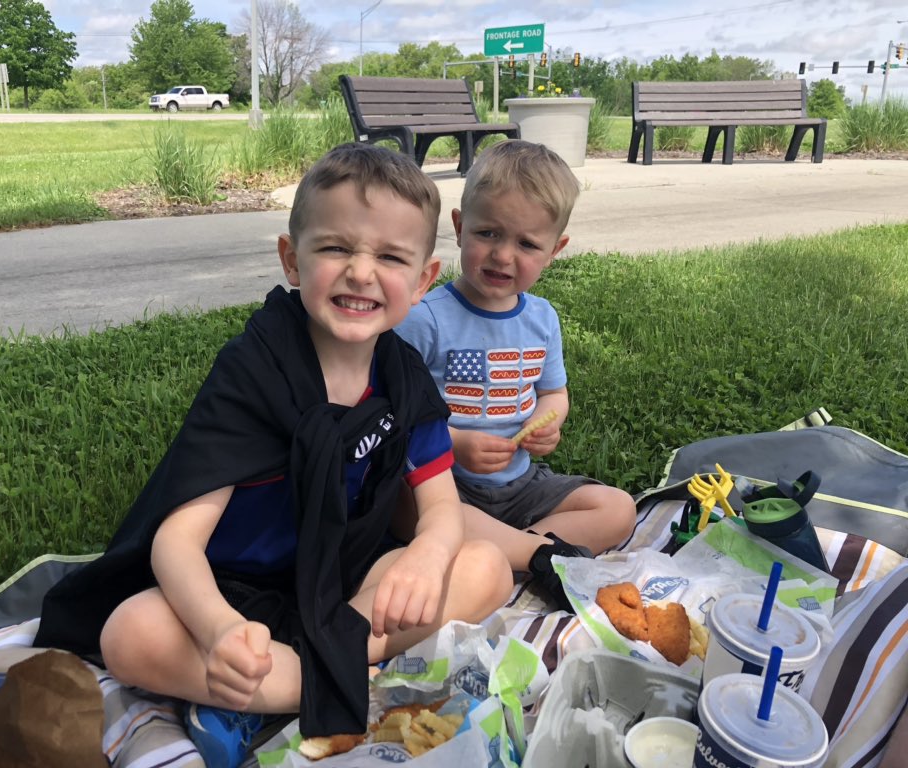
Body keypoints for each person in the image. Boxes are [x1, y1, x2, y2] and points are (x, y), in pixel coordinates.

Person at [32, 143, 513, 766]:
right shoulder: (254, 371)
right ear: (292, 258)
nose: (362, 273)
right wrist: (218, 632)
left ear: (423, 279)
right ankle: (331, 682)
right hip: (235, 592)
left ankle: (274, 688)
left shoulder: (402, 375)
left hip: (344, 591)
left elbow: (441, 505)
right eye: (336, 248)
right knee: (129, 634)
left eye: (391, 257)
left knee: (487, 568)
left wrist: (425, 554)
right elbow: (176, 542)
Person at [395, 139, 636, 611]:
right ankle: (532, 556)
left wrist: (548, 423)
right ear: (460, 228)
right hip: (446, 483)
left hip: (522, 484)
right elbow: (393, 413)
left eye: (526, 243)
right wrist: (455, 442)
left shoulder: (542, 319)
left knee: (619, 509)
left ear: (555, 250)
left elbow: (554, 393)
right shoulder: (425, 317)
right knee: (405, 508)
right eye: (488, 233)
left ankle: (505, 552)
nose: (503, 256)